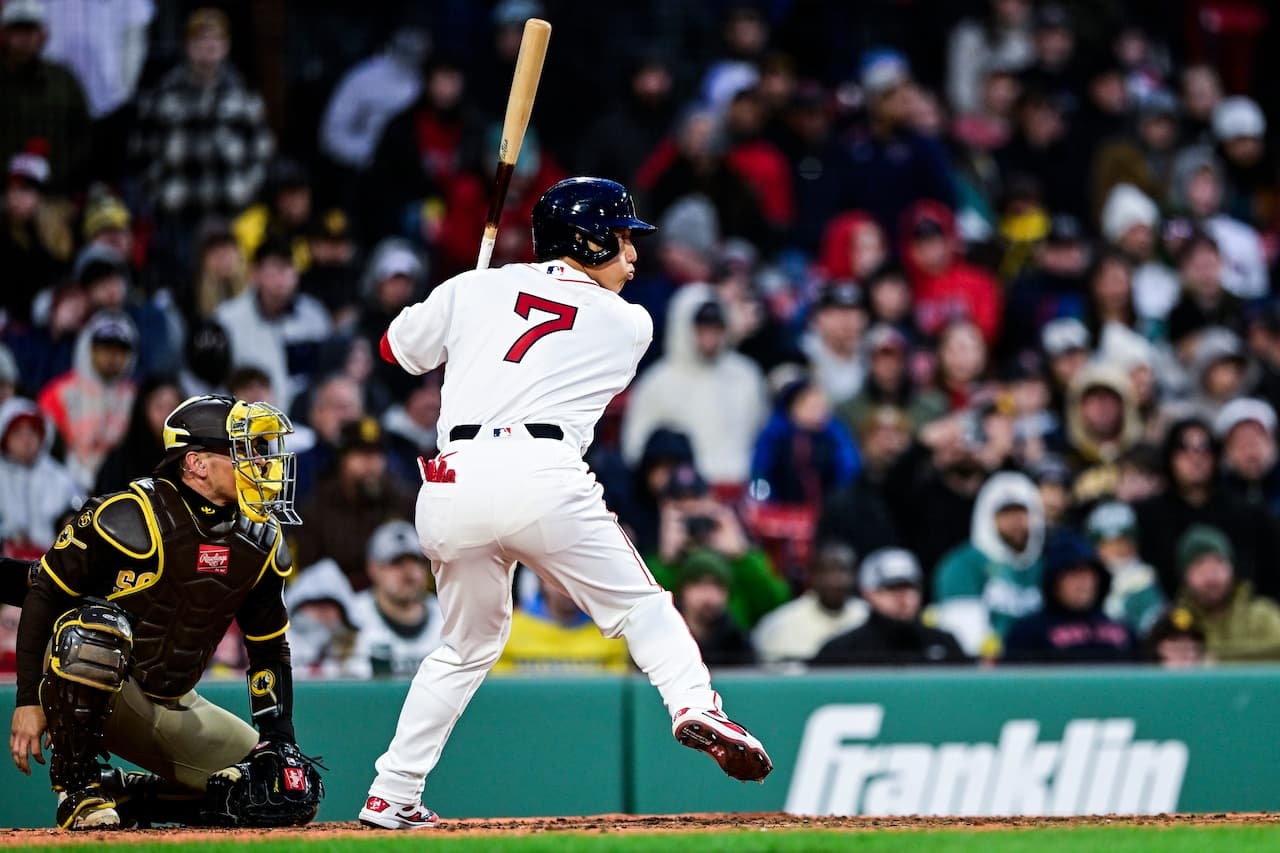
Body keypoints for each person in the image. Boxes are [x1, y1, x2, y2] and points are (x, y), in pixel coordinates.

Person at [362, 177, 772, 830]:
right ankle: (694, 704)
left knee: (463, 648)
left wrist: (462, 297)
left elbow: (396, 350)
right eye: (621, 238)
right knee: (641, 607)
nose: (632, 254)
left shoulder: (474, 287)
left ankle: (391, 791)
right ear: (586, 240)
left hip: (450, 482)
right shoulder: (629, 323)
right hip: (540, 474)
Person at [6, 395, 321, 829]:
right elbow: (43, 592)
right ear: (196, 463)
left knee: (283, 791)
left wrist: (278, 740)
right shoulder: (128, 515)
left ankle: (135, 797)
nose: (262, 463)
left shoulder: (260, 538)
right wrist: (27, 700)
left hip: (174, 701)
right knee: (96, 633)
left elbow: (269, 650)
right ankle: (78, 788)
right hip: (100, 688)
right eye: (245, 451)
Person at [932, 471, 1046, 657]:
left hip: (1042, 666)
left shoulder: (1046, 565)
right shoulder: (962, 565)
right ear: (986, 517)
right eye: (1006, 514)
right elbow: (965, 638)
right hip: (988, 668)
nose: (1016, 522)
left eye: (1022, 512)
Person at [811, 548, 967, 666]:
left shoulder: (944, 643)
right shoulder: (842, 650)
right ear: (868, 593)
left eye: (911, 587)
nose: (904, 597)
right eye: (893, 588)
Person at [1003, 531, 1137, 663]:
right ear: (1054, 582)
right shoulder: (1028, 634)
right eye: (1073, 574)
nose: (1083, 582)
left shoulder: (1125, 631)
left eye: (1088, 573)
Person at [347, 520, 444, 678]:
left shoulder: (447, 616)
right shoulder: (352, 617)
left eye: (415, 561)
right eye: (396, 562)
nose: (408, 571)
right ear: (373, 569)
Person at [1173, 524, 1280, 662]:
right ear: (1185, 577)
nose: (1211, 577)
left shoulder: (1263, 616)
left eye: (1218, 564)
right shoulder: (1173, 623)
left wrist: (1212, 658)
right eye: (1200, 567)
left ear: (1232, 569)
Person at [751, 542, 867, 664]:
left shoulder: (867, 618)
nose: (835, 580)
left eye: (842, 570)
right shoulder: (780, 624)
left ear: (855, 575)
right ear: (811, 575)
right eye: (825, 571)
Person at [0, 398, 81, 559]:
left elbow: (78, 511)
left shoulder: (59, 477)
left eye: (32, 432)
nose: (26, 440)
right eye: (18, 433)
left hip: (50, 560)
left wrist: (69, 520)